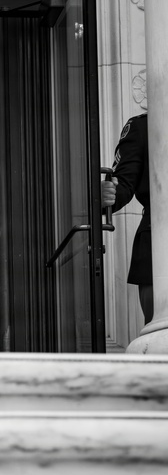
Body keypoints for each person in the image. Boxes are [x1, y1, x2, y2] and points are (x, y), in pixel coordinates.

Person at [102, 113, 153, 324]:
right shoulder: (143, 126)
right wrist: (106, 195)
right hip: (159, 242)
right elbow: (123, 183)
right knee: (160, 333)